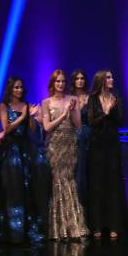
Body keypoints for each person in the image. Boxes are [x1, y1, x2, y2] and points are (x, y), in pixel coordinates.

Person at [0, 77, 50, 243]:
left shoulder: (27, 105)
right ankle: (13, 232)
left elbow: (32, 130)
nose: (19, 90)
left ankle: (27, 229)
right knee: (13, 188)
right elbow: (7, 129)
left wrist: (32, 117)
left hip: (26, 148)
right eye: (16, 87)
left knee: (29, 187)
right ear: (11, 89)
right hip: (11, 149)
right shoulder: (4, 106)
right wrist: (22, 117)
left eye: (21, 87)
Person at [41, 70, 89, 240]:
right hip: (54, 145)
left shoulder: (72, 100)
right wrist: (63, 114)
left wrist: (74, 109)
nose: (60, 84)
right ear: (52, 84)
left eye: (62, 81)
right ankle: (57, 228)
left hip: (70, 145)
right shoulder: (46, 102)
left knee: (68, 181)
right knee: (57, 182)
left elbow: (78, 126)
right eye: (57, 81)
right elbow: (47, 127)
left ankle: (73, 226)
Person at [87, 70, 128, 239]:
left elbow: (120, 120)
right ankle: (96, 225)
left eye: (112, 77)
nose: (112, 79)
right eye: (108, 77)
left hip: (112, 145)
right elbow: (91, 122)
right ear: (101, 81)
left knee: (113, 183)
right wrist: (105, 112)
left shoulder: (116, 98)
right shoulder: (93, 99)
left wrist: (112, 110)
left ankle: (114, 224)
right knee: (97, 183)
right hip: (97, 145)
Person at [69, 69, 89, 207]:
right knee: (76, 171)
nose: (80, 81)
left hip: (89, 135)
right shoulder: (68, 98)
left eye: (82, 78)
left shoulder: (90, 97)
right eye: (77, 78)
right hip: (72, 135)